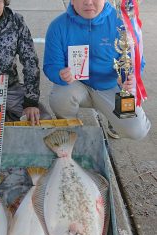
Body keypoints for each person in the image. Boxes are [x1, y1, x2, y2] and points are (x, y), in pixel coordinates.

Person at [43, 0, 151, 140]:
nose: (88, 2)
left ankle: (114, 121)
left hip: (111, 86)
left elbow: (137, 61)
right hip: (77, 85)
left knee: (137, 131)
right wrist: (60, 75)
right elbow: (51, 65)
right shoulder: (58, 26)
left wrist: (130, 78)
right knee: (60, 97)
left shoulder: (122, 22)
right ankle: (69, 126)